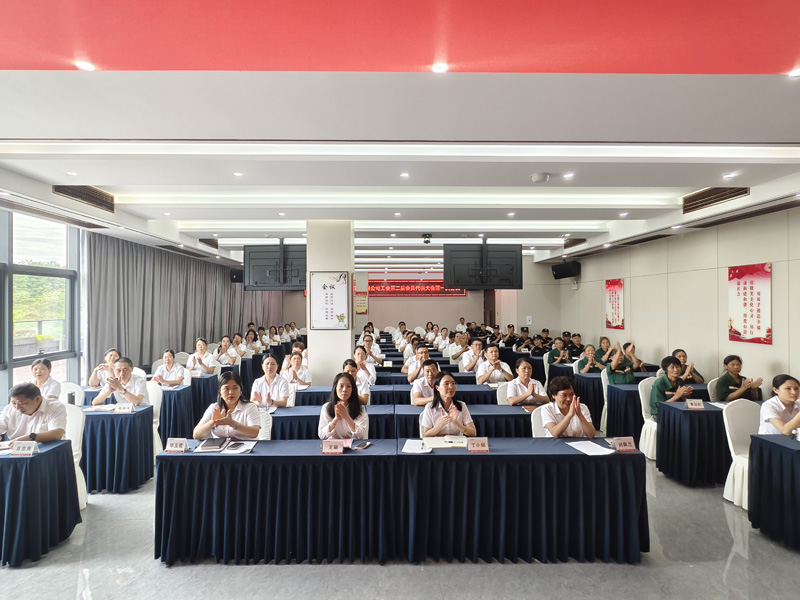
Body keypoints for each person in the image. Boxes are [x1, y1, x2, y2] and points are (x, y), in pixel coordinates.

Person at [193, 371, 260, 440]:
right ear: (220, 392)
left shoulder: (250, 407)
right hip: (219, 446)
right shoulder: (214, 408)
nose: (231, 392)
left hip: (246, 445)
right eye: (226, 389)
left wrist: (232, 423)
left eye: (235, 388)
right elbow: (196, 435)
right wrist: (212, 422)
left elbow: (254, 433)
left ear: (240, 390)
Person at [0, 382, 66, 442]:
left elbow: (57, 434)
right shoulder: (9, 409)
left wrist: (30, 437)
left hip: (47, 446)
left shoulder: (54, 407)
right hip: (16, 448)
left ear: (37, 399)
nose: (17, 407)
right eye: (14, 403)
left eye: (22, 403)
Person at [420, 372, 476, 437]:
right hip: (437, 442)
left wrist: (456, 423)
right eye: (446, 384)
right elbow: (426, 434)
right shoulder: (430, 407)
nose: (451, 387)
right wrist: (441, 424)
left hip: (456, 442)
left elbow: (473, 433)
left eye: (453, 383)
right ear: (437, 388)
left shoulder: (461, 406)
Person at [318, 372, 369, 440]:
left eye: (348, 386)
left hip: (354, 445)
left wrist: (346, 416)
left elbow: (362, 435)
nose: (344, 390)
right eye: (341, 386)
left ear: (353, 389)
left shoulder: (360, 409)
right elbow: (322, 435)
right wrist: (336, 419)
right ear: (335, 388)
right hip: (334, 445)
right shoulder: (326, 407)